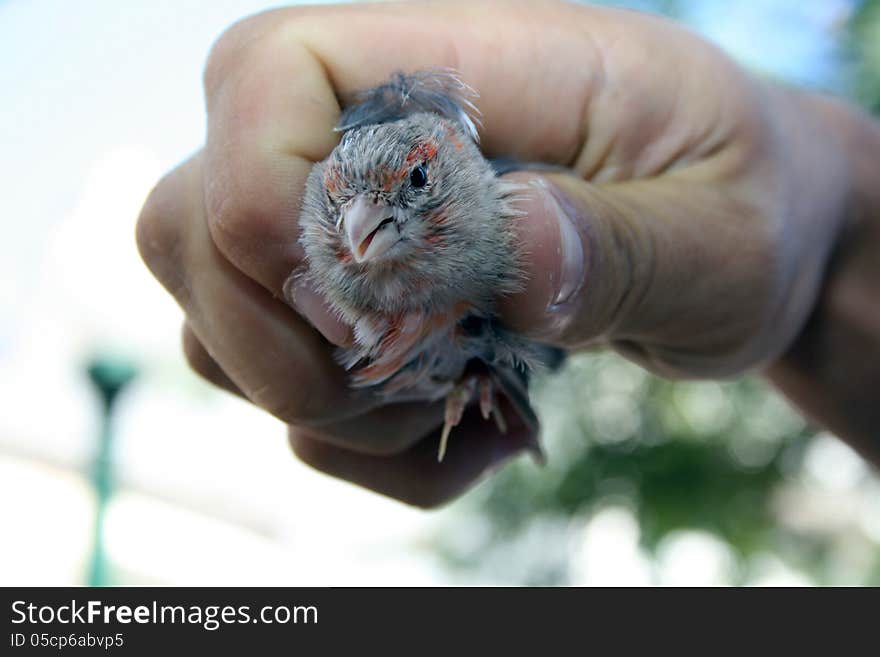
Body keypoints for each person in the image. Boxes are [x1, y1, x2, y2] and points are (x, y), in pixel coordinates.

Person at [136, 0, 880, 507]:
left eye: (416, 182)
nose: (363, 223)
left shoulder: (517, 206)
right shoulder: (338, 254)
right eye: (339, 204)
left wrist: (832, 205)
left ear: (448, 165)